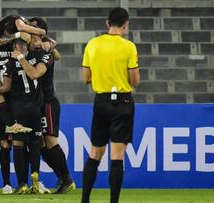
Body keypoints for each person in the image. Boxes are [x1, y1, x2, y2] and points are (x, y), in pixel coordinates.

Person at [0, 15, 45, 194]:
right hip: (5, 103)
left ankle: (8, 184)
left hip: (13, 102)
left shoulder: (23, 54)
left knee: (9, 144)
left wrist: (39, 37)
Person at [80, 7, 140, 203]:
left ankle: (85, 200)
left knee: (95, 152)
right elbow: (135, 79)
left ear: (107, 23)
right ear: (125, 25)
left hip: (101, 101)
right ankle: (114, 201)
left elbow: (85, 78)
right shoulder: (129, 47)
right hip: (122, 101)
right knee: (117, 155)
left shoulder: (92, 45)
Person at [0, 38, 50, 194]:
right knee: (35, 143)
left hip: (18, 108)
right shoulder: (36, 58)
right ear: (26, 47)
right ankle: (35, 174)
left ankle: (22, 183)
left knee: (18, 145)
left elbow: (7, 87)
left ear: (16, 48)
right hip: (35, 108)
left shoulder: (10, 63)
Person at [27, 17, 76, 194]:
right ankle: (62, 177)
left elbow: (55, 54)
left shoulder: (45, 48)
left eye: (32, 27)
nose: (28, 28)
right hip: (36, 103)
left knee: (49, 140)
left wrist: (50, 45)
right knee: (39, 143)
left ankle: (67, 178)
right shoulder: (34, 47)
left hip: (47, 101)